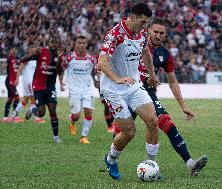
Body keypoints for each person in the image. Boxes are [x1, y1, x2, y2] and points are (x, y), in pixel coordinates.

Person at [114, 18, 208, 176]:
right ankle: (112, 161)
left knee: (166, 122)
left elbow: (172, 81)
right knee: (122, 132)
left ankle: (191, 164)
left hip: (147, 95)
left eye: (161, 33)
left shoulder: (165, 54)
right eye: (155, 32)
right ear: (149, 31)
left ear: (165, 35)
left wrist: (183, 106)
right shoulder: (135, 43)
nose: (158, 35)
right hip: (127, 92)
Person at [98, 3, 161, 180]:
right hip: (113, 90)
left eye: (147, 23)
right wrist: (117, 78)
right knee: (129, 132)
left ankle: (152, 166)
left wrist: (152, 74)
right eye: (143, 22)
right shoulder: (115, 35)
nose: (145, 26)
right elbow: (102, 62)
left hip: (133, 85)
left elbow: (145, 52)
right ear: (132, 17)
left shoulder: (141, 34)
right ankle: (111, 159)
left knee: (152, 121)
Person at [21, 38, 62, 143]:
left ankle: (56, 137)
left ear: (58, 45)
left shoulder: (59, 57)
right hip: (38, 87)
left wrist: (61, 83)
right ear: (49, 44)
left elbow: (59, 70)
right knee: (42, 113)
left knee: (52, 110)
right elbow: (29, 58)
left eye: (56, 43)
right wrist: (26, 57)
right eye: (52, 42)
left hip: (51, 87)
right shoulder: (42, 52)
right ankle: (34, 109)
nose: (54, 45)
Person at [60, 35, 96, 144]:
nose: (81, 45)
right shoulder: (69, 58)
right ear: (75, 44)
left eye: (83, 43)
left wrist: (97, 80)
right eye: (79, 43)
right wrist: (61, 83)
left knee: (88, 111)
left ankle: (83, 137)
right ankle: (72, 121)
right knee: (76, 116)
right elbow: (61, 69)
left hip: (87, 89)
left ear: (86, 44)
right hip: (74, 90)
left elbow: (97, 69)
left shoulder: (91, 59)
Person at [12, 46, 45, 123]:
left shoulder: (34, 59)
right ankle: (36, 117)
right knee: (33, 98)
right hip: (29, 82)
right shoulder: (26, 58)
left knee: (25, 99)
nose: (35, 50)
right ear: (30, 50)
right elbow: (20, 68)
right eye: (33, 48)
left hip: (30, 82)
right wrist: (17, 79)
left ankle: (14, 115)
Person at [2, 47, 22, 123]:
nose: (13, 51)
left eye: (14, 50)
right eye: (12, 50)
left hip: (13, 81)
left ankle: (7, 117)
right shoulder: (9, 58)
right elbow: (4, 66)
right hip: (9, 81)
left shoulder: (17, 60)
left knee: (11, 98)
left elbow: (17, 71)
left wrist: (17, 79)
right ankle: (14, 117)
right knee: (16, 97)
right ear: (10, 51)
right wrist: (3, 66)